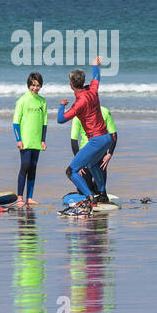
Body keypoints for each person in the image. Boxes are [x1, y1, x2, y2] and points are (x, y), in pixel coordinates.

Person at [57, 57, 110, 211]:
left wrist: (61, 105)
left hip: (96, 141)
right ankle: (102, 193)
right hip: (106, 138)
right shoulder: (92, 89)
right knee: (92, 164)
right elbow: (96, 77)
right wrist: (95, 66)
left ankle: (89, 196)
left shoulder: (79, 103)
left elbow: (61, 119)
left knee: (71, 171)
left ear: (71, 85)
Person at [12, 72, 48, 207]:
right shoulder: (22, 100)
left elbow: (44, 123)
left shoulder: (42, 101)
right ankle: (20, 197)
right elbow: (16, 122)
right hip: (25, 139)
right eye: (33, 85)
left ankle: (30, 198)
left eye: (38, 85)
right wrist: (18, 139)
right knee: (25, 165)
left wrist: (43, 140)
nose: (35, 88)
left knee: (33, 167)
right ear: (29, 85)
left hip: (37, 140)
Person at [70, 103, 116, 197]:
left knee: (99, 188)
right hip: (88, 153)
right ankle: (95, 194)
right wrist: (79, 162)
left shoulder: (105, 111)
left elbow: (113, 134)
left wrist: (110, 154)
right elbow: (74, 140)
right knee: (86, 188)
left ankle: (100, 195)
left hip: (99, 153)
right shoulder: (77, 115)